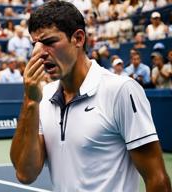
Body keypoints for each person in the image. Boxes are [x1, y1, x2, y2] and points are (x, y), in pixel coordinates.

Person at [10, 1, 171, 192]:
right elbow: (25, 173)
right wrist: (30, 100)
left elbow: (157, 180)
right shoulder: (43, 96)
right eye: (35, 44)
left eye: (49, 42)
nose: (38, 53)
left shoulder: (121, 90)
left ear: (78, 38)